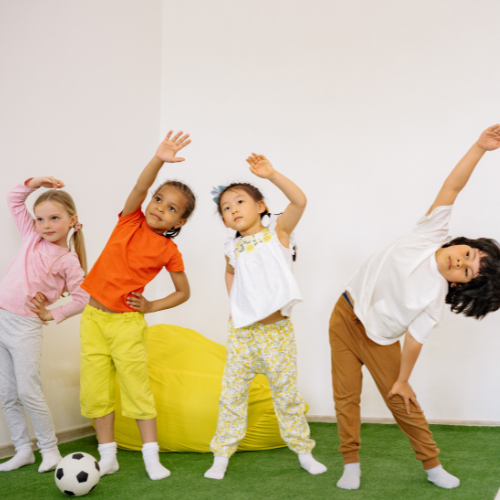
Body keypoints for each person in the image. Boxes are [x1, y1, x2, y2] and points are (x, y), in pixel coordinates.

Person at [329, 124, 500, 490]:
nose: (461, 262)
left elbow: (415, 341)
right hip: (344, 315)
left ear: (461, 284)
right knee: (346, 396)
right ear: (462, 243)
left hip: (378, 339)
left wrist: (403, 380)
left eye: (468, 272)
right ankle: (351, 462)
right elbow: (453, 187)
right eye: (467, 254)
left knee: (402, 402)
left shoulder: (434, 296)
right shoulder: (431, 233)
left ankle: (432, 465)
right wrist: (479, 148)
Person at [79, 131, 195, 480]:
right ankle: (108, 454)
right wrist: (159, 158)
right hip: (93, 319)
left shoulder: (169, 251)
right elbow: (140, 188)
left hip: (126, 324)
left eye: (171, 208)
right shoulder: (130, 219)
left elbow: (183, 292)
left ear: (180, 222)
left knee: (136, 388)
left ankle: (150, 457)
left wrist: (149, 306)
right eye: (159, 199)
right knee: (95, 389)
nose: (160, 207)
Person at [204, 153, 327, 480]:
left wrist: (271, 173)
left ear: (260, 206)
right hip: (243, 335)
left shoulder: (278, 234)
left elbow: (299, 202)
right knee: (231, 396)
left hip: (277, 334)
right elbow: (229, 274)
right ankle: (222, 454)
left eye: (239, 202)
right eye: (226, 208)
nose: (232, 209)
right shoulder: (232, 247)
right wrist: (235, 307)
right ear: (225, 221)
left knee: (286, 395)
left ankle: (303, 451)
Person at [0, 177, 88, 473]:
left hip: (25, 326)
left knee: (28, 390)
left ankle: (50, 450)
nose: (46, 225)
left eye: (54, 218)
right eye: (40, 219)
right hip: (1, 319)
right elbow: (13, 199)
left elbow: (83, 297)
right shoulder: (31, 237)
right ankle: (22, 448)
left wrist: (52, 314)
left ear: (72, 220)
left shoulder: (67, 259)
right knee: (6, 393)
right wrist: (34, 183)